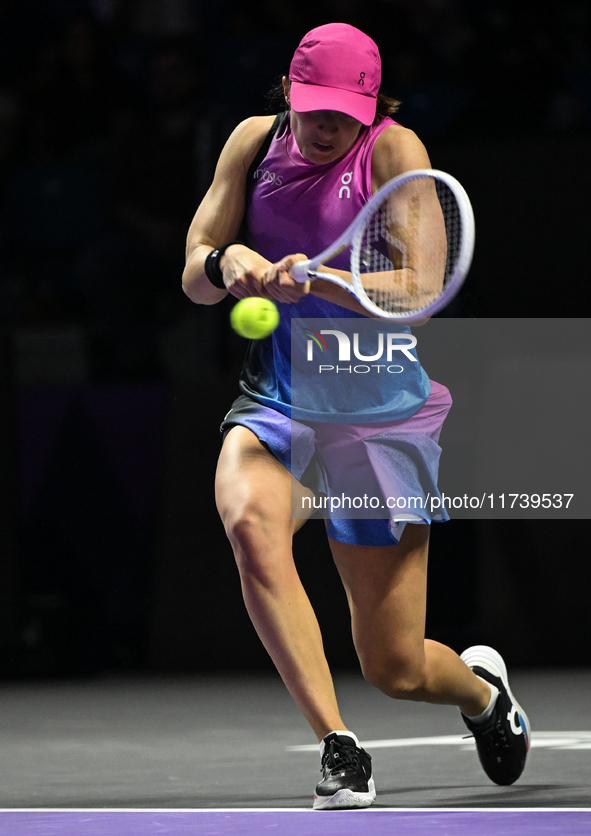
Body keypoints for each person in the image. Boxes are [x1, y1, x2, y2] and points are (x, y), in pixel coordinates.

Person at [182, 23, 530, 810]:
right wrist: (222, 262)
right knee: (248, 524)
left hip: (379, 411)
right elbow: (194, 273)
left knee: (395, 666)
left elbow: (421, 294)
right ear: (289, 93)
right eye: (313, 109)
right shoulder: (251, 142)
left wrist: (329, 281)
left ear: (370, 106)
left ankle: (481, 696)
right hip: (278, 397)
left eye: (344, 111)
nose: (326, 125)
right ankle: (339, 747)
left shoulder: (396, 153)